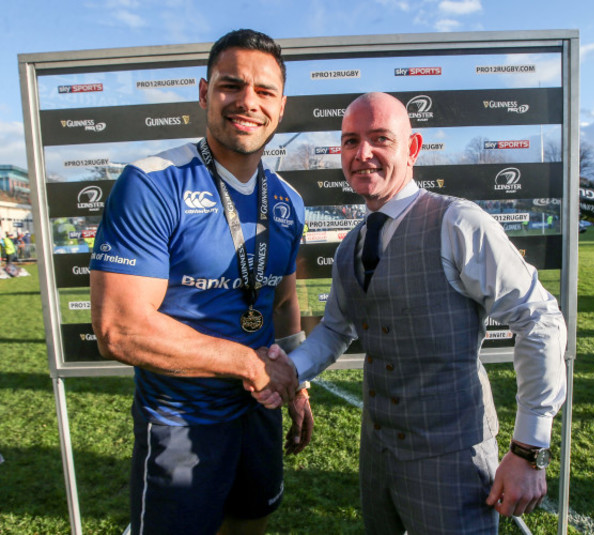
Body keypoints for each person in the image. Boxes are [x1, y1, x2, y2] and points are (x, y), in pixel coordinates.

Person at [258, 92, 567, 534]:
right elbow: (334, 331)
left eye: (380, 138)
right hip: (377, 455)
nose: (363, 154)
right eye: (350, 141)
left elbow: (540, 320)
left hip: (453, 459)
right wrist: (289, 368)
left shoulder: (459, 223)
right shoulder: (350, 245)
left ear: (413, 147)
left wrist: (528, 450)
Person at [90, 29, 313, 535]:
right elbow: (118, 329)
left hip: (259, 411)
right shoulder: (151, 183)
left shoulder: (289, 200)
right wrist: (248, 363)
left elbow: (281, 302)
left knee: (250, 524)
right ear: (204, 93)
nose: (247, 102)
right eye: (230, 85)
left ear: (281, 107)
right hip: (181, 420)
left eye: (264, 92)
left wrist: (294, 378)